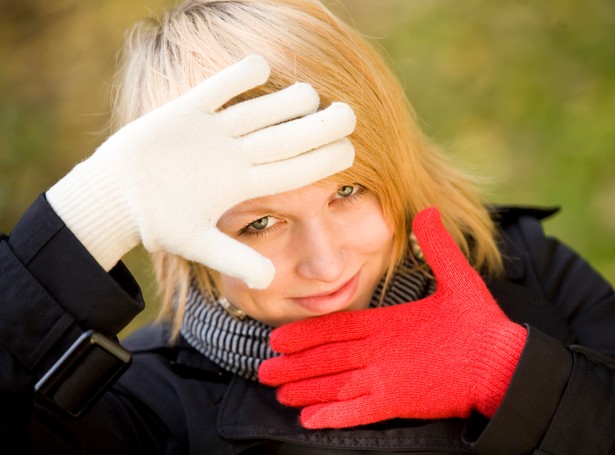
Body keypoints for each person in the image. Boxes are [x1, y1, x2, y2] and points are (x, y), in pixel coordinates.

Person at [1, 0, 614, 453]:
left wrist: (511, 374)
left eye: (348, 191)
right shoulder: (141, 404)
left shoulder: (528, 273)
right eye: (261, 222)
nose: (326, 263)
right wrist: (91, 212)